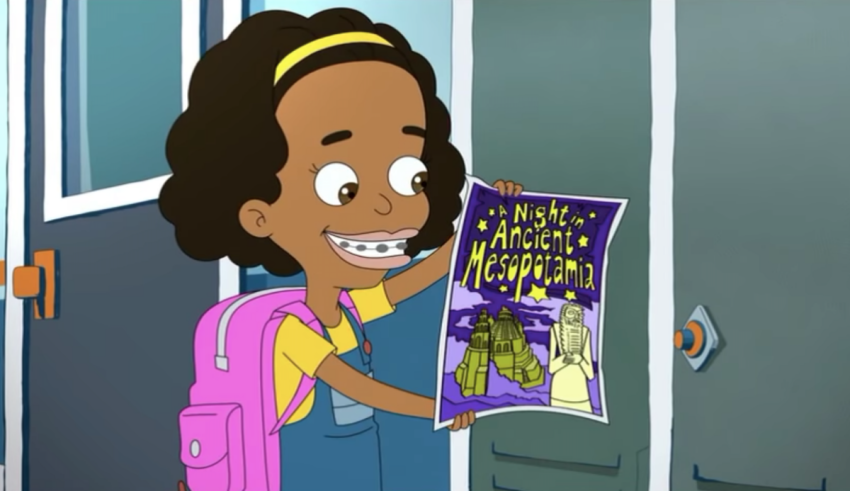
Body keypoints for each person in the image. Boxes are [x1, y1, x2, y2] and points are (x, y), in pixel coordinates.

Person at [160, 8, 523, 491]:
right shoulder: (289, 333)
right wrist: (437, 407)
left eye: (409, 176)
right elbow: (358, 386)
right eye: (342, 186)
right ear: (258, 214)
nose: (387, 206)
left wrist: (482, 222)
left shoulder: (346, 310)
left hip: (356, 468)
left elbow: (411, 283)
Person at [549, 302, 595, 412]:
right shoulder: (555, 329)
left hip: (580, 393)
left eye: (577, 314)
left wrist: (580, 360)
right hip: (559, 392)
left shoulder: (585, 332)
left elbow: (590, 374)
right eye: (570, 313)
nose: (574, 317)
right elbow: (551, 368)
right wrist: (565, 358)